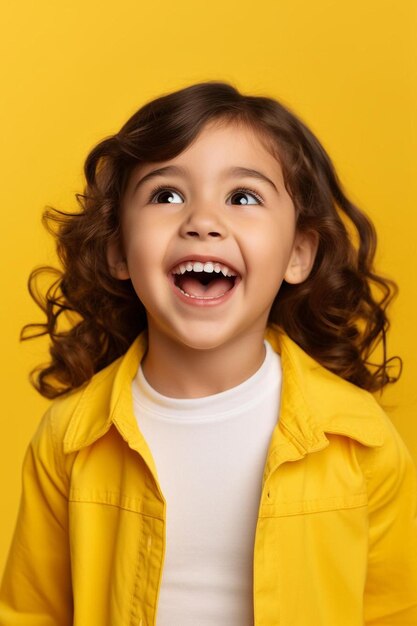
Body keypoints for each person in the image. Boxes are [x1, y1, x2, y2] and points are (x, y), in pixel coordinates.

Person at [1, 81, 416, 626]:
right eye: (166, 195)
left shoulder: (359, 440)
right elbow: (32, 613)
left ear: (297, 253)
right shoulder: (71, 439)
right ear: (118, 250)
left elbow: (395, 611)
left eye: (243, 197)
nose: (202, 220)